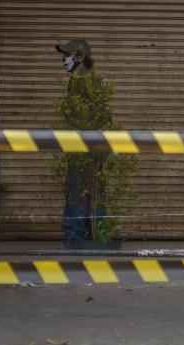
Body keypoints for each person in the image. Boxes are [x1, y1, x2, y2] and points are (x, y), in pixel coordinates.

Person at [55, 38, 109, 249]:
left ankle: (75, 236)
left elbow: (95, 114)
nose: (63, 60)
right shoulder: (84, 78)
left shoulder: (83, 79)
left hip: (84, 146)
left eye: (66, 55)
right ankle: (93, 233)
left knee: (76, 189)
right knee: (91, 190)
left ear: (80, 56)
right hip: (88, 145)